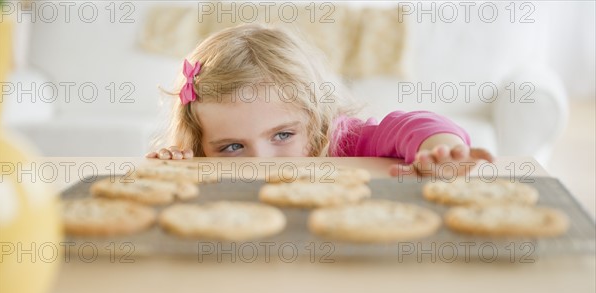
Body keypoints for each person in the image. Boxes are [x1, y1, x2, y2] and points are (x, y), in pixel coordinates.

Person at [146, 24, 493, 177]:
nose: (264, 163)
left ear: (314, 118)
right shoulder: (202, 160)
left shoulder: (346, 142)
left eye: (282, 135)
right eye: (233, 147)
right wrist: (178, 167)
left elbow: (413, 126)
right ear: (202, 144)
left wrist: (439, 150)